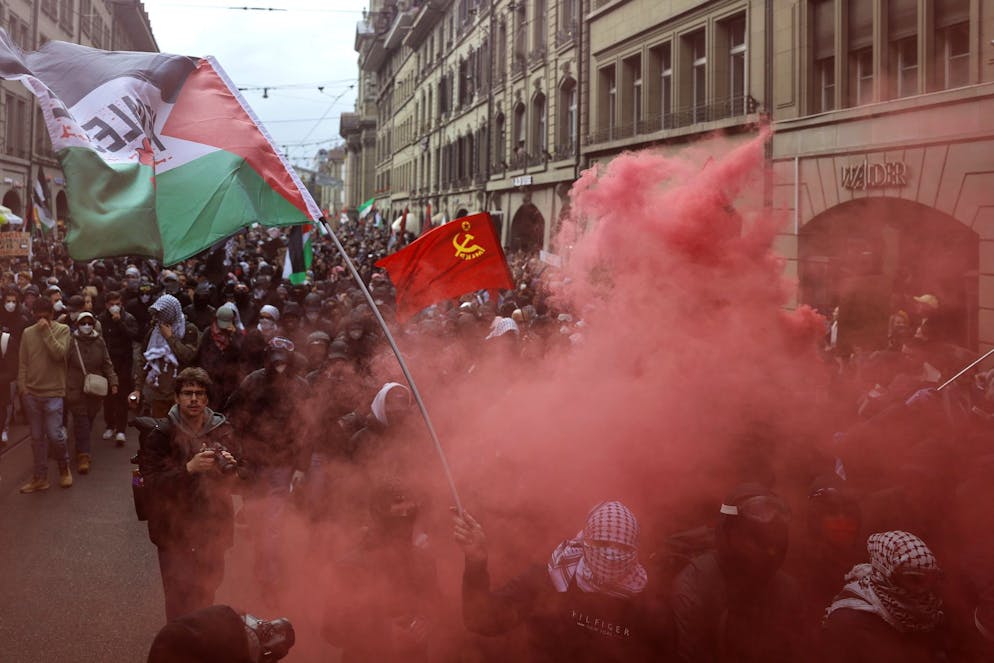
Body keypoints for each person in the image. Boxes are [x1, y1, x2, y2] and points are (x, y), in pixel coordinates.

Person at [454, 500, 671, 662]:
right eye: (602, 542)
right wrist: (476, 562)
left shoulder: (649, 603)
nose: (611, 554)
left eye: (622, 547)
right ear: (585, 539)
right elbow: (481, 620)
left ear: (635, 551)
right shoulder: (550, 578)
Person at [138, 367, 243, 621]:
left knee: (207, 593)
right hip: (173, 532)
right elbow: (149, 485)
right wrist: (188, 469)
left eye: (199, 393)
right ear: (176, 398)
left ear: (207, 399)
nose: (193, 399)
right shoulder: (160, 435)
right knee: (177, 599)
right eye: (187, 393)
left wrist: (232, 470)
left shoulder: (223, 430)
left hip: (212, 529)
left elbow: (243, 479)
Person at [670, 484, 800, 662]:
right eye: (755, 537)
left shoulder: (787, 591)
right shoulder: (696, 587)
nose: (770, 549)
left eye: (774, 536)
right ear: (728, 534)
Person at [224, 336, 309, 596]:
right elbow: (232, 416)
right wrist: (238, 454)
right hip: (253, 462)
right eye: (276, 363)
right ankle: (265, 564)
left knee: (273, 523)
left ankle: (270, 579)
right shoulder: (253, 382)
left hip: (282, 465)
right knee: (257, 520)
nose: (280, 368)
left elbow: (307, 428)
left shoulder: (300, 387)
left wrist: (301, 466)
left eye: (284, 363)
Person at [322, 475, 440, 662]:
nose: (406, 521)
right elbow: (331, 631)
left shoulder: (424, 561)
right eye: (398, 514)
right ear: (378, 516)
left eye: (410, 514)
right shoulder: (350, 566)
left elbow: (435, 606)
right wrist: (383, 634)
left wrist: (426, 622)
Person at [821, 530, 946, 662]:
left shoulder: (925, 617)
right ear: (886, 574)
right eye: (913, 579)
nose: (922, 590)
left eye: (929, 581)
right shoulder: (848, 621)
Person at [18, 297, 72, 492]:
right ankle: (40, 477)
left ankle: (64, 468)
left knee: (55, 435)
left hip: (54, 392)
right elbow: (23, 363)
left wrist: (47, 332)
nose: (42, 320)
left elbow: (60, 354)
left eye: (46, 316)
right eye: (38, 316)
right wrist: (23, 389)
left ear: (52, 314)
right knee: (36, 438)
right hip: (32, 393)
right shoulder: (27, 333)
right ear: (33, 315)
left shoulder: (62, 330)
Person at [66, 311, 118, 474]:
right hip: (75, 388)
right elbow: (63, 363)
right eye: (83, 323)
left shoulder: (99, 342)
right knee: (81, 420)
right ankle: (84, 456)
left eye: (89, 323)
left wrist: (113, 382)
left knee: (88, 420)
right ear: (77, 325)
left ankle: (80, 447)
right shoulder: (70, 341)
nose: (86, 326)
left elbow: (107, 363)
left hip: (94, 390)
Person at [132, 294, 200, 418]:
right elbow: (144, 360)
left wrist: (169, 337)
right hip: (158, 393)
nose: (159, 319)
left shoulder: (189, 330)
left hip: (181, 392)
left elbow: (188, 356)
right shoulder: (155, 331)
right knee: (158, 430)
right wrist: (137, 389)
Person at [99, 290, 140, 445]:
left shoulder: (128, 318)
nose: (114, 307)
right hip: (108, 362)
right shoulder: (102, 319)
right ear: (106, 305)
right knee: (108, 396)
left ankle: (121, 429)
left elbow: (134, 335)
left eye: (117, 304)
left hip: (124, 362)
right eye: (111, 305)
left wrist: (119, 323)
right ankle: (110, 424)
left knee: (122, 395)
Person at [193, 305, 244, 411]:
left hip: (228, 381)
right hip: (209, 378)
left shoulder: (237, 334)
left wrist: (233, 337)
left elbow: (240, 355)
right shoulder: (209, 332)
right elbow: (200, 353)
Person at [0, 285, 26, 444]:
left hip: (14, 363)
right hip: (3, 363)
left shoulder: (22, 320)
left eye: (13, 301)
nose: (10, 304)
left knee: (8, 400)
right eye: (8, 301)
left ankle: (5, 428)